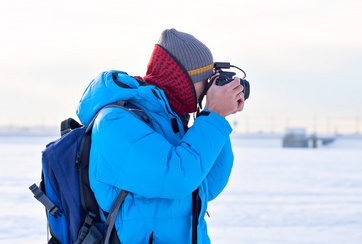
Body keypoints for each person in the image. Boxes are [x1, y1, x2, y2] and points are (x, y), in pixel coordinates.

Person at [76, 28, 245, 244]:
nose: (209, 88)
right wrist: (213, 117)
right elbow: (179, 178)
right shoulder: (116, 122)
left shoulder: (172, 121)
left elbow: (209, 182)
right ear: (183, 80)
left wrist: (215, 117)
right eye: (206, 81)